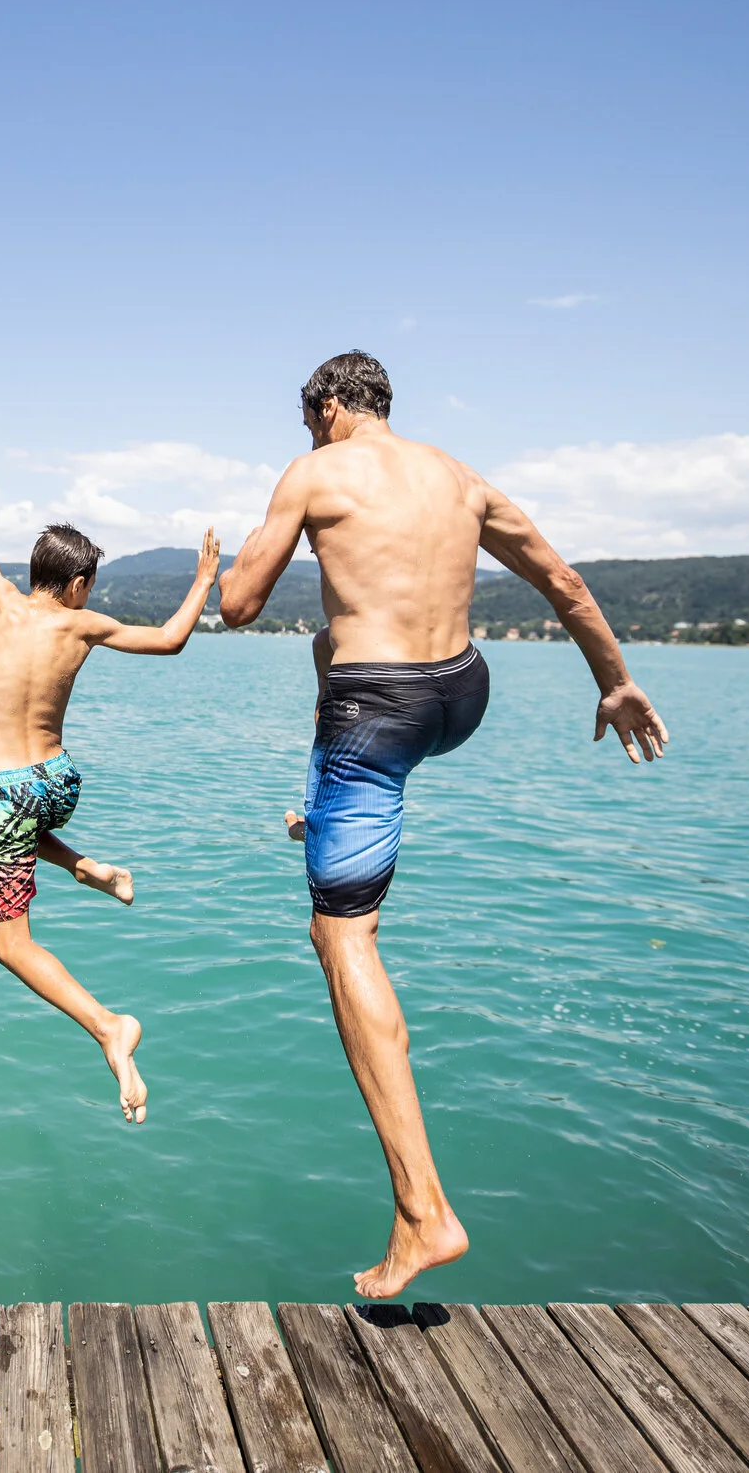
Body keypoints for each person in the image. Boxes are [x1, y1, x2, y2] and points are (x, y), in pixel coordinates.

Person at [219, 349, 667, 1299]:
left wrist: (259, 542)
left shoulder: (312, 472)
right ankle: (330, 811)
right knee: (326, 648)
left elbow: (237, 606)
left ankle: (425, 1213)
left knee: (342, 938)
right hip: (459, 694)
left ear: (328, 407)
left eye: (309, 423)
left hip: (377, 708)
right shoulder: (463, 479)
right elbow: (564, 581)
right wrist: (615, 681)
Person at [0, 489, 222, 1124]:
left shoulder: (2, 602)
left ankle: (107, 1027)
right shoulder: (83, 625)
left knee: (11, 945)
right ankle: (89, 868)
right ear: (78, 584)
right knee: (10, 822)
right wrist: (204, 578)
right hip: (59, 782)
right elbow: (171, 639)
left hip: (8, 793)